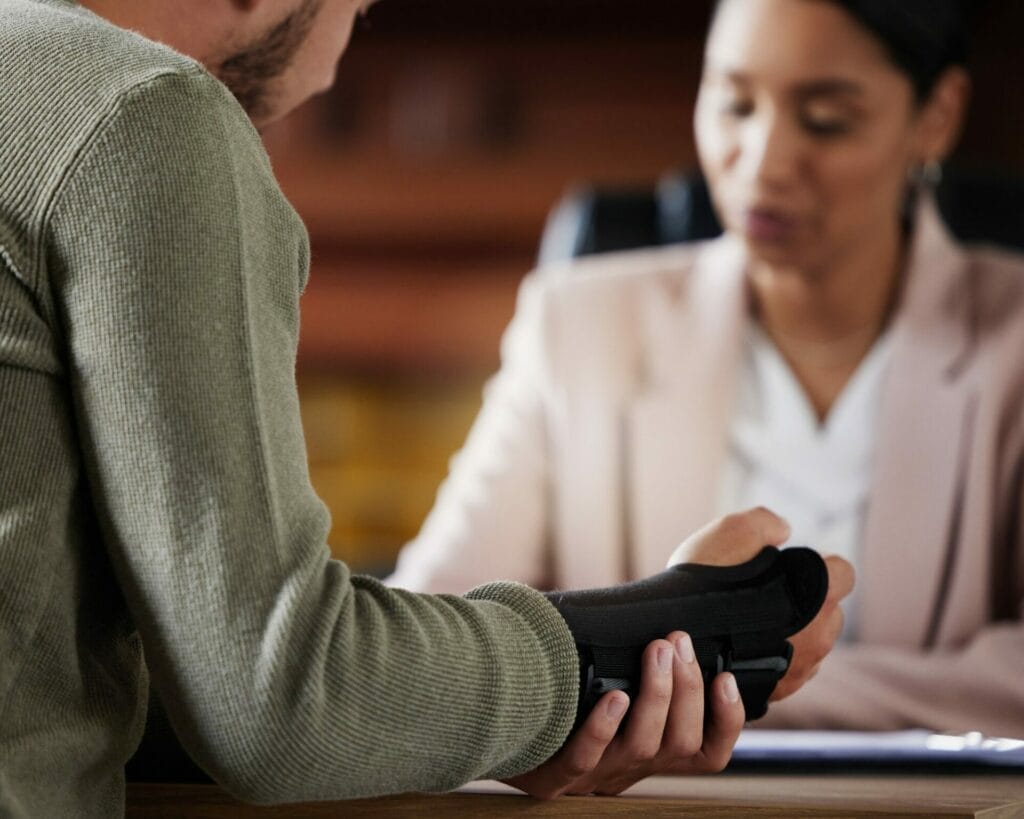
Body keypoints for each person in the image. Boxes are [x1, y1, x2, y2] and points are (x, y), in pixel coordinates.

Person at [0, 0, 854, 816]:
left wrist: (478, 722)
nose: (335, 66)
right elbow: (282, 697)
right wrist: (690, 626)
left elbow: (74, 682)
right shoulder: (149, 113)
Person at [389, 0, 1024, 738]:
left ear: (936, 116)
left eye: (824, 120)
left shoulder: (1013, 339)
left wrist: (726, 674)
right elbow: (424, 642)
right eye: (733, 103)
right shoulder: (579, 325)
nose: (762, 161)